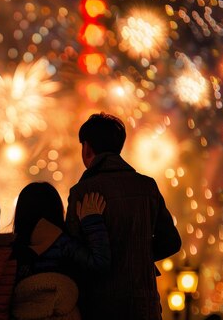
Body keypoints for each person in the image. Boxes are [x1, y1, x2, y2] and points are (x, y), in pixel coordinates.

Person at [65, 113, 182, 320]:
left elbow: (73, 254)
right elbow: (172, 241)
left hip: (99, 305)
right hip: (145, 305)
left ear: (87, 147)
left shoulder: (81, 192)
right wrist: (138, 254)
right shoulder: (147, 187)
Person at [11, 182, 110, 320]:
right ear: (57, 210)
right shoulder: (64, 244)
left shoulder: (11, 250)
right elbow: (99, 263)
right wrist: (92, 221)